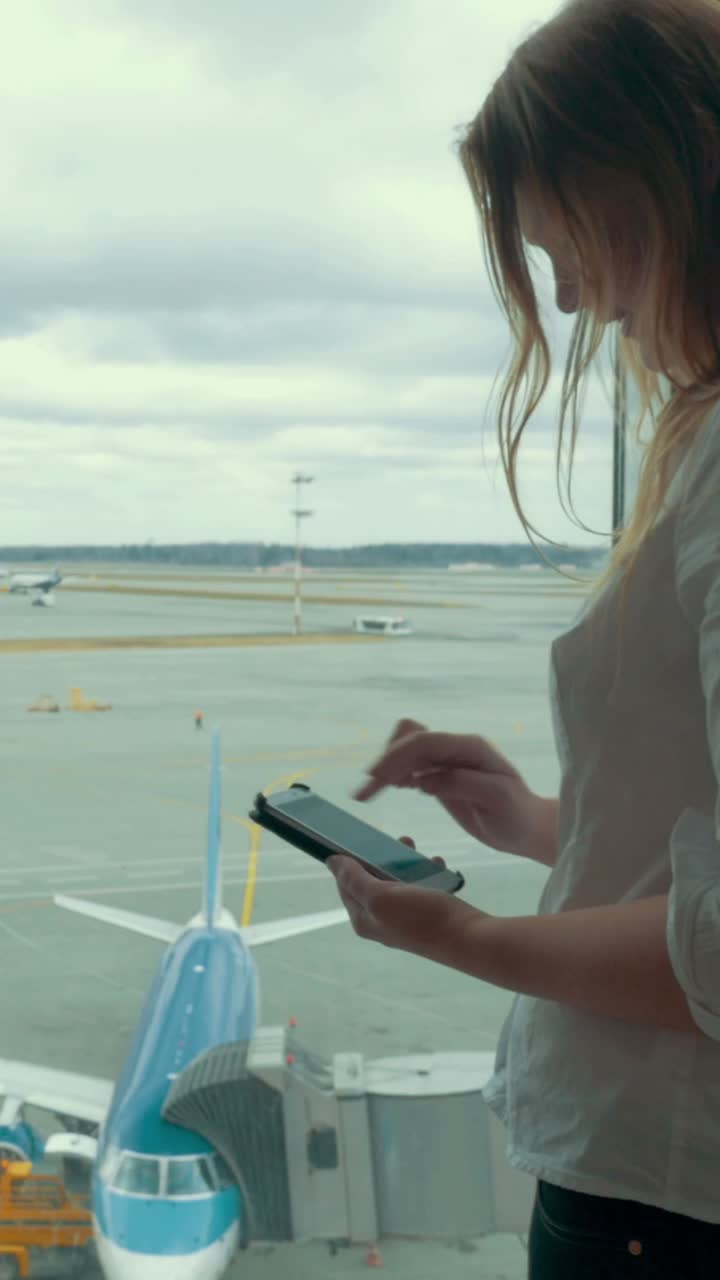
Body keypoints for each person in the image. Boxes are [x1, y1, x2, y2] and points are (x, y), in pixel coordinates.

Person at [328, 2, 720, 1276]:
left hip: (665, 1197)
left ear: (664, 180)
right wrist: (542, 819)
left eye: (563, 241)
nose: (564, 294)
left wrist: (465, 938)